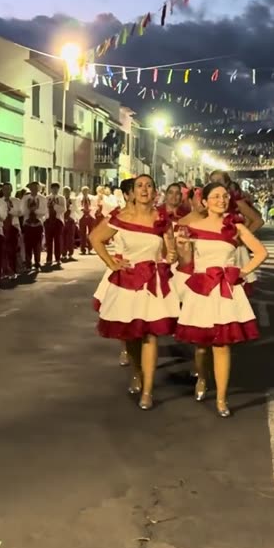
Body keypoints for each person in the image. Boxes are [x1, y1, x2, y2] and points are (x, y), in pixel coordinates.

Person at [171, 181, 268, 417]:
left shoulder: (235, 226)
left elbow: (261, 252)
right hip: (202, 289)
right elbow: (184, 262)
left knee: (222, 345)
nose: (221, 200)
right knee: (202, 347)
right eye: (215, 196)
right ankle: (202, 378)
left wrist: (241, 272)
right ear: (204, 201)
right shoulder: (192, 226)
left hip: (226, 290)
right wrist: (180, 247)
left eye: (224, 196)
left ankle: (222, 399)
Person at [89, 174, 179, 411]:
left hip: (154, 283)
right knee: (131, 337)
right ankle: (137, 371)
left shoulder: (163, 219)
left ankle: (148, 390)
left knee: (150, 336)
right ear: (133, 191)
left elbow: (172, 253)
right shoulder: (120, 217)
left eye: (149, 186)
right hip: (127, 282)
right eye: (140, 185)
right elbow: (95, 238)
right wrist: (112, 263)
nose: (144, 189)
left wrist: (171, 257)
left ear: (154, 192)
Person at [21, 182, 48, 271]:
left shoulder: (42, 198)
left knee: (37, 245)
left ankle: (37, 263)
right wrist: (29, 210)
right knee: (28, 245)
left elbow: (44, 211)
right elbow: (22, 210)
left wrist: (35, 210)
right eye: (32, 187)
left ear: (39, 188)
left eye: (36, 187)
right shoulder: (25, 198)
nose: (34, 189)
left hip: (38, 223)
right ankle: (28, 264)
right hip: (27, 224)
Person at [44, 182, 67, 268]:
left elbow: (63, 209)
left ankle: (58, 258)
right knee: (49, 241)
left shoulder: (61, 198)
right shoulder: (47, 198)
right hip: (48, 220)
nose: (54, 190)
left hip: (58, 220)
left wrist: (55, 205)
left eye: (56, 188)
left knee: (57, 240)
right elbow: (44, 208)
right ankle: (49, 259)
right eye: (53, 188)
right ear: (51, 189)